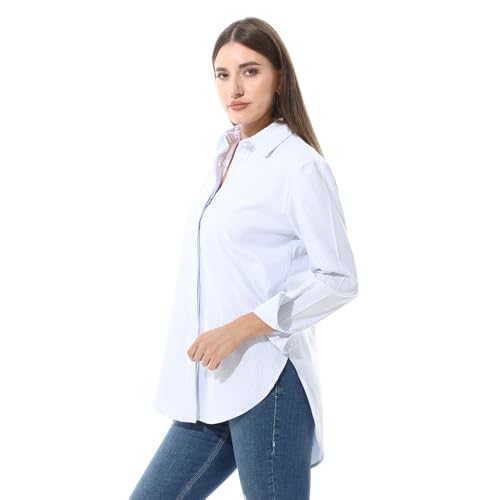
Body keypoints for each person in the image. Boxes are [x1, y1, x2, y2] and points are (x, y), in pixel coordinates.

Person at [130, 16, 358, 500]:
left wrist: (240, 328)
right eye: (223, 74)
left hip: (269, 384)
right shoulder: (227, 155)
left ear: (279, 77)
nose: (234, 88)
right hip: (210, 388)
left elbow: (339, 278)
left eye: (249, 71)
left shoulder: (299, 166)